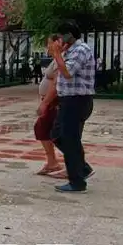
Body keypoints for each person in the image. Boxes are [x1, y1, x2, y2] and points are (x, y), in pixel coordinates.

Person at [49, 21, 96, 192]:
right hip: (67, 100)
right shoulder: (70, 50)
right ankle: (82, 168)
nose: (59, 39)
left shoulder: (81, 50)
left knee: (70, 140)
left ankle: (77, 182)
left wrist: (56, 54)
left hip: (77, 100)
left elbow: (67, 73)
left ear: (69, 34)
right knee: (56, 135)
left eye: (61, 35)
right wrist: (59, 53)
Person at [33, 35, 63, 176]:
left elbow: (56, 83)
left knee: (50, 131)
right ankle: (52, 162)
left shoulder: (60, 59)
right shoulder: (55, 60)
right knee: (43, 129)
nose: (48, 47)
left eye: (50, 43)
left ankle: (76, 163)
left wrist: (46, 103)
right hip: (49, 101)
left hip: (53, 102)